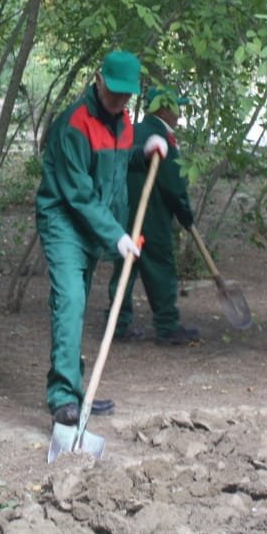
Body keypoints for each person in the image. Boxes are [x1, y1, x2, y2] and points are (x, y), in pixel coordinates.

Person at [35, 50, 167, 426]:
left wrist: (145, 152)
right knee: (71, 300)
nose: (120, 101)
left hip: (94, 225)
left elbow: (118, 162)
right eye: (115, 93)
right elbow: (78, 193)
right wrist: (117, 235)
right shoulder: (74, 124)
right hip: (63, 220)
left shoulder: (123, 122)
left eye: (127, 95)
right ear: (99, 80)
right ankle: (63, 397)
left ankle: (77, 392)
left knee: (74, 305)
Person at [108, 86, 200, 346]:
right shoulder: (161, 138)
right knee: (160, 266)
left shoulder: (131, 130)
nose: (179, 114)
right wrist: (185, 215)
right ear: (163, 109)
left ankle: (117, 322)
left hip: (123, 212)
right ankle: (167, 325)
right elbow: (173, 185)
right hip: (151, 215)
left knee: (125, 265)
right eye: (175, 108)